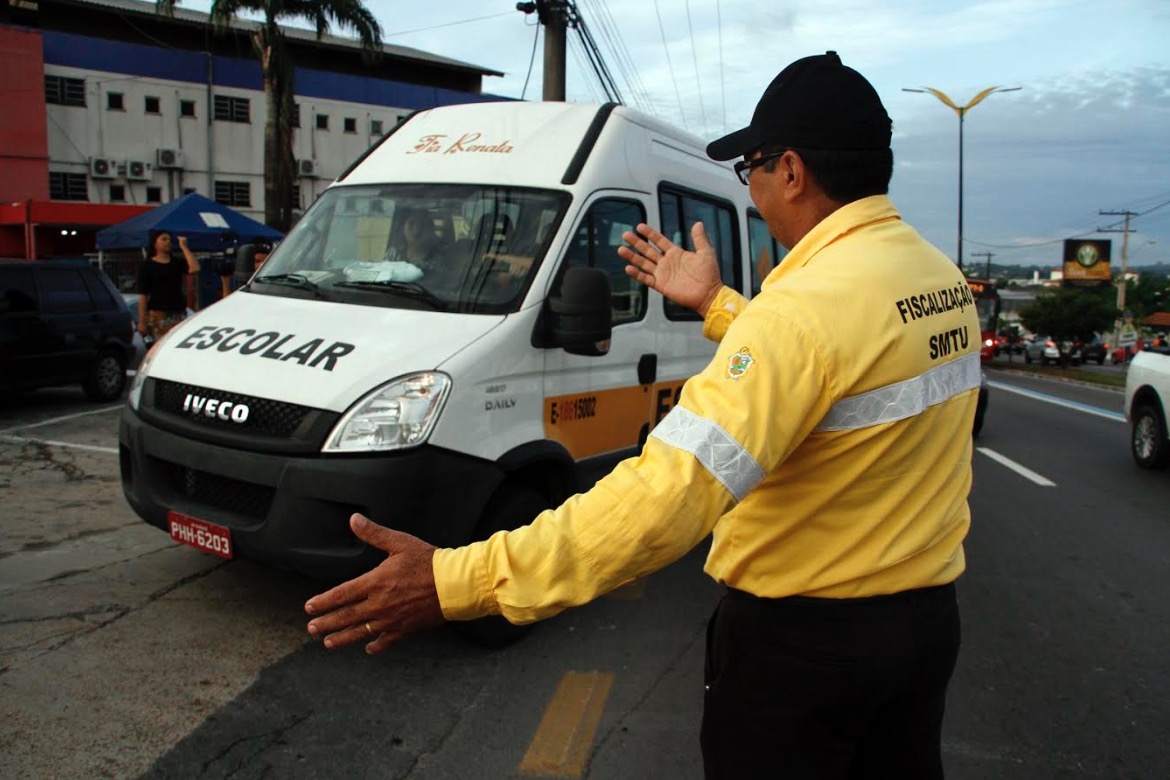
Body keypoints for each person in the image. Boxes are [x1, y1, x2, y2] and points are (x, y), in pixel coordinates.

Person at [305, 51, 980, 778]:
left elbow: (665, 500)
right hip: (922, 630)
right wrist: (721, 309)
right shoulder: (935, 277)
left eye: (749, 165)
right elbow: (842, 370)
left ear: (790, 170)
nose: (748, 186)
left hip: (806, 654)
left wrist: (457, 581)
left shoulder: (801, 311)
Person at [137, 231, 199, 342]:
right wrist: (142, 321)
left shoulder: (176, 262)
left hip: (178, 312)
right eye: (164, 239)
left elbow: (194, 269)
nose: (168, 242)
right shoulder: (147, 266)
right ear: (155, 243)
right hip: (158, 314)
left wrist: (184, 248)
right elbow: (143, 295)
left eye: (169, 240)